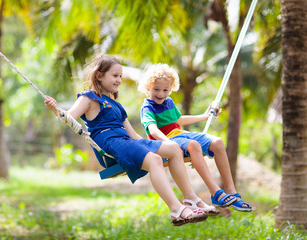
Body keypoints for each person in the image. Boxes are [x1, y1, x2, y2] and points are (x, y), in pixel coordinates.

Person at [44, 54, 208, 226]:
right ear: (99, 75)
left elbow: (134, 136)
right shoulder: (89, 98)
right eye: (115, 75)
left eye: (120, 76)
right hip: (111, 142)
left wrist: (153, 144)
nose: (119, 80)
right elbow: (68, 117)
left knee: (173, 148)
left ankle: (191, 199)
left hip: (127, 141)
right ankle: (176, 209)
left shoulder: (117, 105)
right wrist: (56, 110)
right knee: (154, 160)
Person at [138, 63, 253, 212]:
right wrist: (169, 144)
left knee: (217, 142)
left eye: (165, 90)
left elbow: (179, 120)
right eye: (156, 89)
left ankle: (230, 190)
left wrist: (204, 117)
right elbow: (153, 130)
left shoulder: (169, 102)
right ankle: (215, 192)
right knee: (193, 145)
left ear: (171, 88)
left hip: (179, 134)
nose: (161, 93)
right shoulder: (147, 107)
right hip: (164, 141)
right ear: (148, 88)